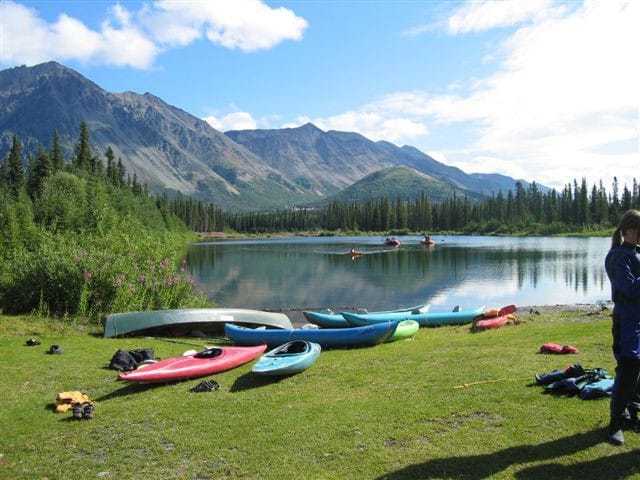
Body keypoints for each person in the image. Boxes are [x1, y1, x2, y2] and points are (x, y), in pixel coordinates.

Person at [604, 209, 640, 445]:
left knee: (637, 371)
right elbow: (628, 289)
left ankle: (632, 412)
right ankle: (615, 421)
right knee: (628, 368)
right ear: (627, 230)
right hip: (626, 322)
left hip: (637, 320)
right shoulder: (619, 257)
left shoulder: (634, 253)